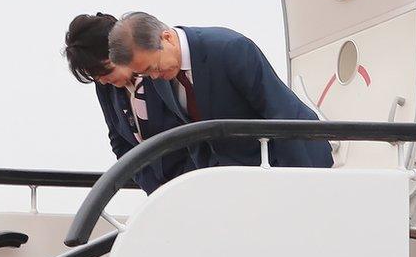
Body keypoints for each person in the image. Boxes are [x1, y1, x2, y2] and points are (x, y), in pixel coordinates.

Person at [107, 12, 334, 169]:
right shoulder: (162, 76)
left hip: (294, 157)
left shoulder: (229, 48)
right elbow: (194, 136)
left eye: (152, 67)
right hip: (237, 176)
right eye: (145, 74)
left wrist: (295, 180)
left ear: (166, 38)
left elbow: (280, 113)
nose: (154, 77)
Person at [64, 13, 200, 194]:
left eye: (107, 71)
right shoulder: (107, 87)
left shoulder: (162, 72)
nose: (103, 81)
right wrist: (154, 187)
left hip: (195, 181)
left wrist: (184, 183)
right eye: (96, 77)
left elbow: (194, 128)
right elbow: (120, 143)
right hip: (160, 194)